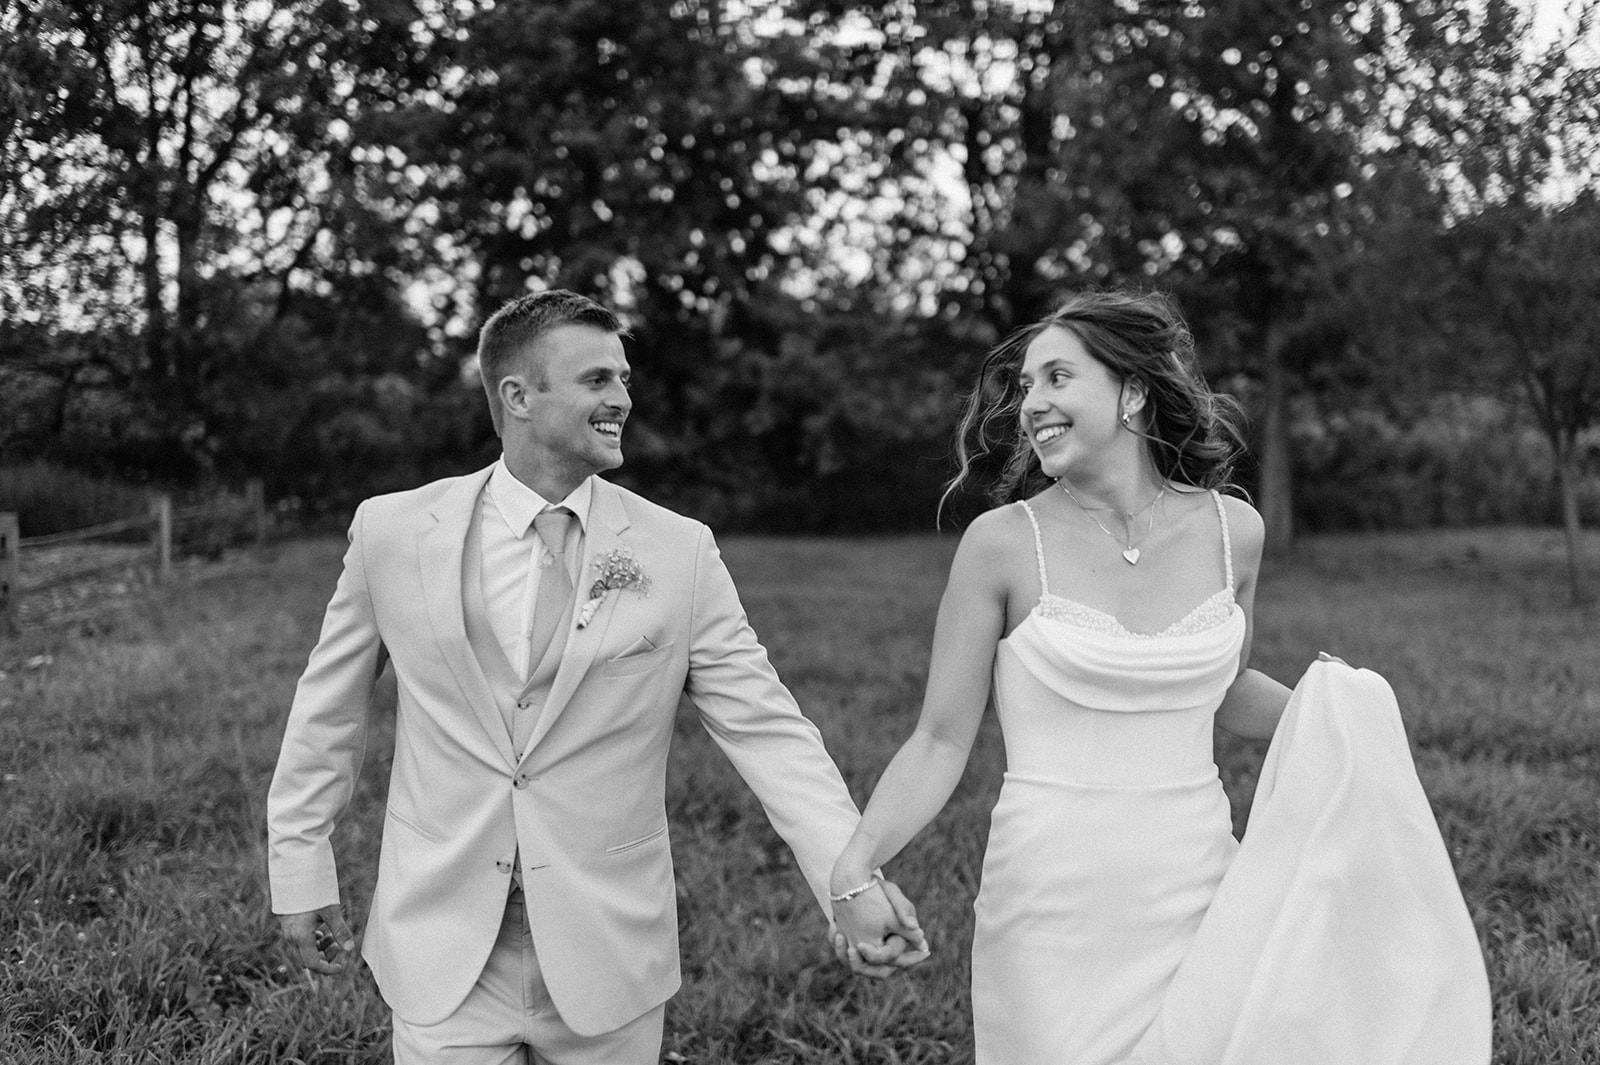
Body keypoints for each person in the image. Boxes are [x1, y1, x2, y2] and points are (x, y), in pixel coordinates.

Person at [828, 290, 1490, 1063]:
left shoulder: (1234, 531)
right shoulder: (1002, 544)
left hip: (1198, 881)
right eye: (1025, 385)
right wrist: (856, 860)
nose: (1029, 404)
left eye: (1056, 378)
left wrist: (1342, 710)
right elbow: (941, 737)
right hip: (1051, 902)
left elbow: (1220, 689)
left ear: (1133, 392)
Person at [266, 289, 925, 1065]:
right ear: (518, 395)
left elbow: (769, 730)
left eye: (623, 378)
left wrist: (849, 882)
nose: (622, 398)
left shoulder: (679, 550)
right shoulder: (393, 530)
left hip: (607, 954)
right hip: (440, 942)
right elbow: (327, 711)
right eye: (596, 380)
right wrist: (300, 865)